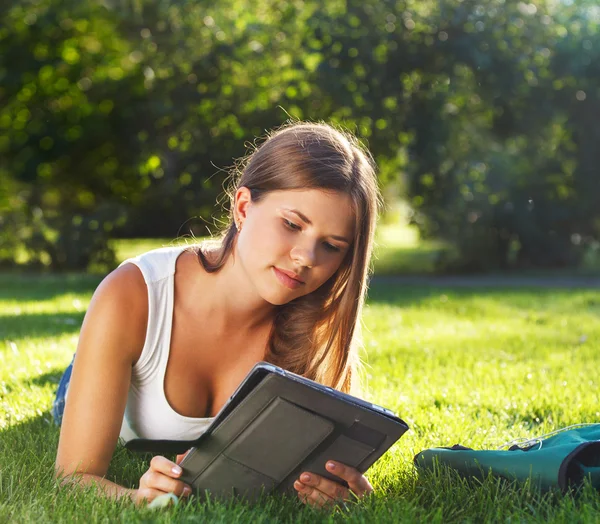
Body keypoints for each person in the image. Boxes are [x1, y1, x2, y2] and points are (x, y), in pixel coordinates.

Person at [53, 121, 380, 508]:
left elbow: (319, 467)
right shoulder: (132, 293)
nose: (306, 258)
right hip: (124, 354)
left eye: (331, 245)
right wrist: (135, 499)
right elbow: (73, 477)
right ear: (243, 207)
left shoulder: (317, 322)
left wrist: (335, 488)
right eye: (292, 225)